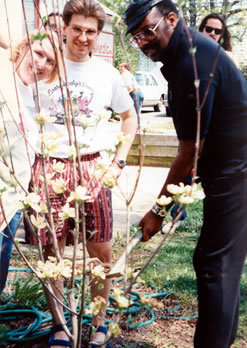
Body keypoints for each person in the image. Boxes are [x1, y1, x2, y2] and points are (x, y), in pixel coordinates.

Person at [125, 0, 247, 347]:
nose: (144, 41)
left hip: (238, 173)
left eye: (148, 30)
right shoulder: (186, 55)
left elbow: (190, 150)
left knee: (215, 265)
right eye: (136, 37)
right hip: (227, 170)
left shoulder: (193, 65)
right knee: (220, 265)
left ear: (172, 20)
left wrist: (158, 211)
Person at [26, 0, 137, 347]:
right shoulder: (45, 65)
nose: (83, 37)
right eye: (77, 29)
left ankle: (100, 322)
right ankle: (60, 325)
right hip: (49, 165)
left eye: (91, 31)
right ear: (65, 27)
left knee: (100, 250)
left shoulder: (106, 74)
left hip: (92, 166)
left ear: (99, 34)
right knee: (51, 251)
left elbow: (129, 117)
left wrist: (118, 163)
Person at [0, 30, 62, 296]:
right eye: (38, 53)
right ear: (23, 47)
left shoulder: (28, 93)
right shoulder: (3, 79)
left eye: (49, 61)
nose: (41, 64)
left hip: (12, 202)